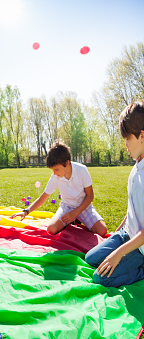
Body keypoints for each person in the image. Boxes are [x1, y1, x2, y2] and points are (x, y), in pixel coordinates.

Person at [84, 101, 144, 287]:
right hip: (127, 234)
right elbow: (135, 206)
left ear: (142, 136)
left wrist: (118, 254)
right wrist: (120, 229)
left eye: (128, 139)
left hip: (140, 247)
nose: (125, 145)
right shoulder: (137, 165)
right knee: (91, 258)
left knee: (100, 278)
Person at [10, 140, 107, 236]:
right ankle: (71, 221)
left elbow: (90, 196)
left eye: (56, 169)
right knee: (51, 228)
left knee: (102, 230)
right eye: (53, 170)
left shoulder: (82, 170)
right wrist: (26, 211)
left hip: (83, 207)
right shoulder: (55, 177)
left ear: (67, 163)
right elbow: (43, 198)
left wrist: (75, 213)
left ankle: (75, 219)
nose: (54, 173)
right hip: (67, 207)